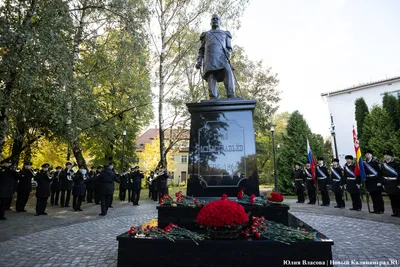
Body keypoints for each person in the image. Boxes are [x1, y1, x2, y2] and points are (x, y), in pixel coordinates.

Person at [195, 14, 235, 99]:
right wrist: (199, 61)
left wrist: (228, 55)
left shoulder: (225, 34)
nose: (215, 20)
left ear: (220, 22)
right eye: (213, 19)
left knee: (228, 71)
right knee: (211, 75)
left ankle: (231, 94)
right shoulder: (206, 34)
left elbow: (229, 48)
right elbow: (201, 50)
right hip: (209, 59)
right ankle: (213, 96)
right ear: (210, 22)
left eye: (217, 19)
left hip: (222, 59)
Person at [364, 149, 384, 214]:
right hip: (369, 181)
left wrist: (380, 182)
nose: (367, 155)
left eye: (368, 154)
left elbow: (380, 173)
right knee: (373, 196)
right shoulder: (365, 163)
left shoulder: (375, 162)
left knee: (378, 196)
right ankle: (375, 209)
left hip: (376, 181)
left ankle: (380, 209)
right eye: (366, 154)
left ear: (371, 154)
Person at [381, 150, 400, 217]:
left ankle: (399, 212)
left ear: (391, 156)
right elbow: (382, 175)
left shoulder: (396, 164)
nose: (386, 156)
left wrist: (399, 184)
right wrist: (383, 183)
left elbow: (399, 175)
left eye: (387, 155)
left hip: (395, 183)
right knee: (392, 198)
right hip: (387, 183)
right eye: (385, 155)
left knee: (397, 198)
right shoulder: (383, 164)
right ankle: (395, 212)